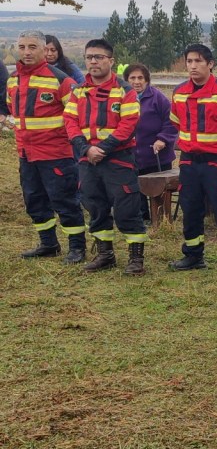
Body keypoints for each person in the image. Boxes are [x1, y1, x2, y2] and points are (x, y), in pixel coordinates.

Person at [64, 39, 147, 274]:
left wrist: (102, 149)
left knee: (127, 208)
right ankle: (105, 255)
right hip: (87, 160)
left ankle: (136, 259)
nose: (93, 61)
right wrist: (85, 149)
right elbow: (70, 121)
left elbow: (128, 124)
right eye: (89, 57)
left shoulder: (125, 91)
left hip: (118, 159)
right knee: (95, 206)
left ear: (111, 61)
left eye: (99, 57)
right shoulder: (78, 91)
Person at [5, 30, 87, 263]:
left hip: (56, 155)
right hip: (26, 154)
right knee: (35, 200)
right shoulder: (13, 80)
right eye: (22, 47)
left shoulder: (61, 80)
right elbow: (12, 110)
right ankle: (48, 243)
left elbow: (77, 115)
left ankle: (77, 248)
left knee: (65, 201)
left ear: (44, 49)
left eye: (32, 47)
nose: (26, 52)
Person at [167, 44, 217, 278]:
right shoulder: (179, 92)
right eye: (189, 61)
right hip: (189, 162)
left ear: (210, 64)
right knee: (190, 208)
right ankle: (193, 255)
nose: (193, 66)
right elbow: (176, 122)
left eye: (198, 61)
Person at [125, 63, 177, 221]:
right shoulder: (122, 98)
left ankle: (161, 220)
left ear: (147, 80)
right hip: (132, 155)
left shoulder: (158, 97)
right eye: (132, 78)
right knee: (135, 189)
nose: (137, 82)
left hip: (157, 154)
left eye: (140, 78)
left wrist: (163, 139)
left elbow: (171, 121)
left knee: (158, 190)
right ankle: (142, 218)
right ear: (126, 80)